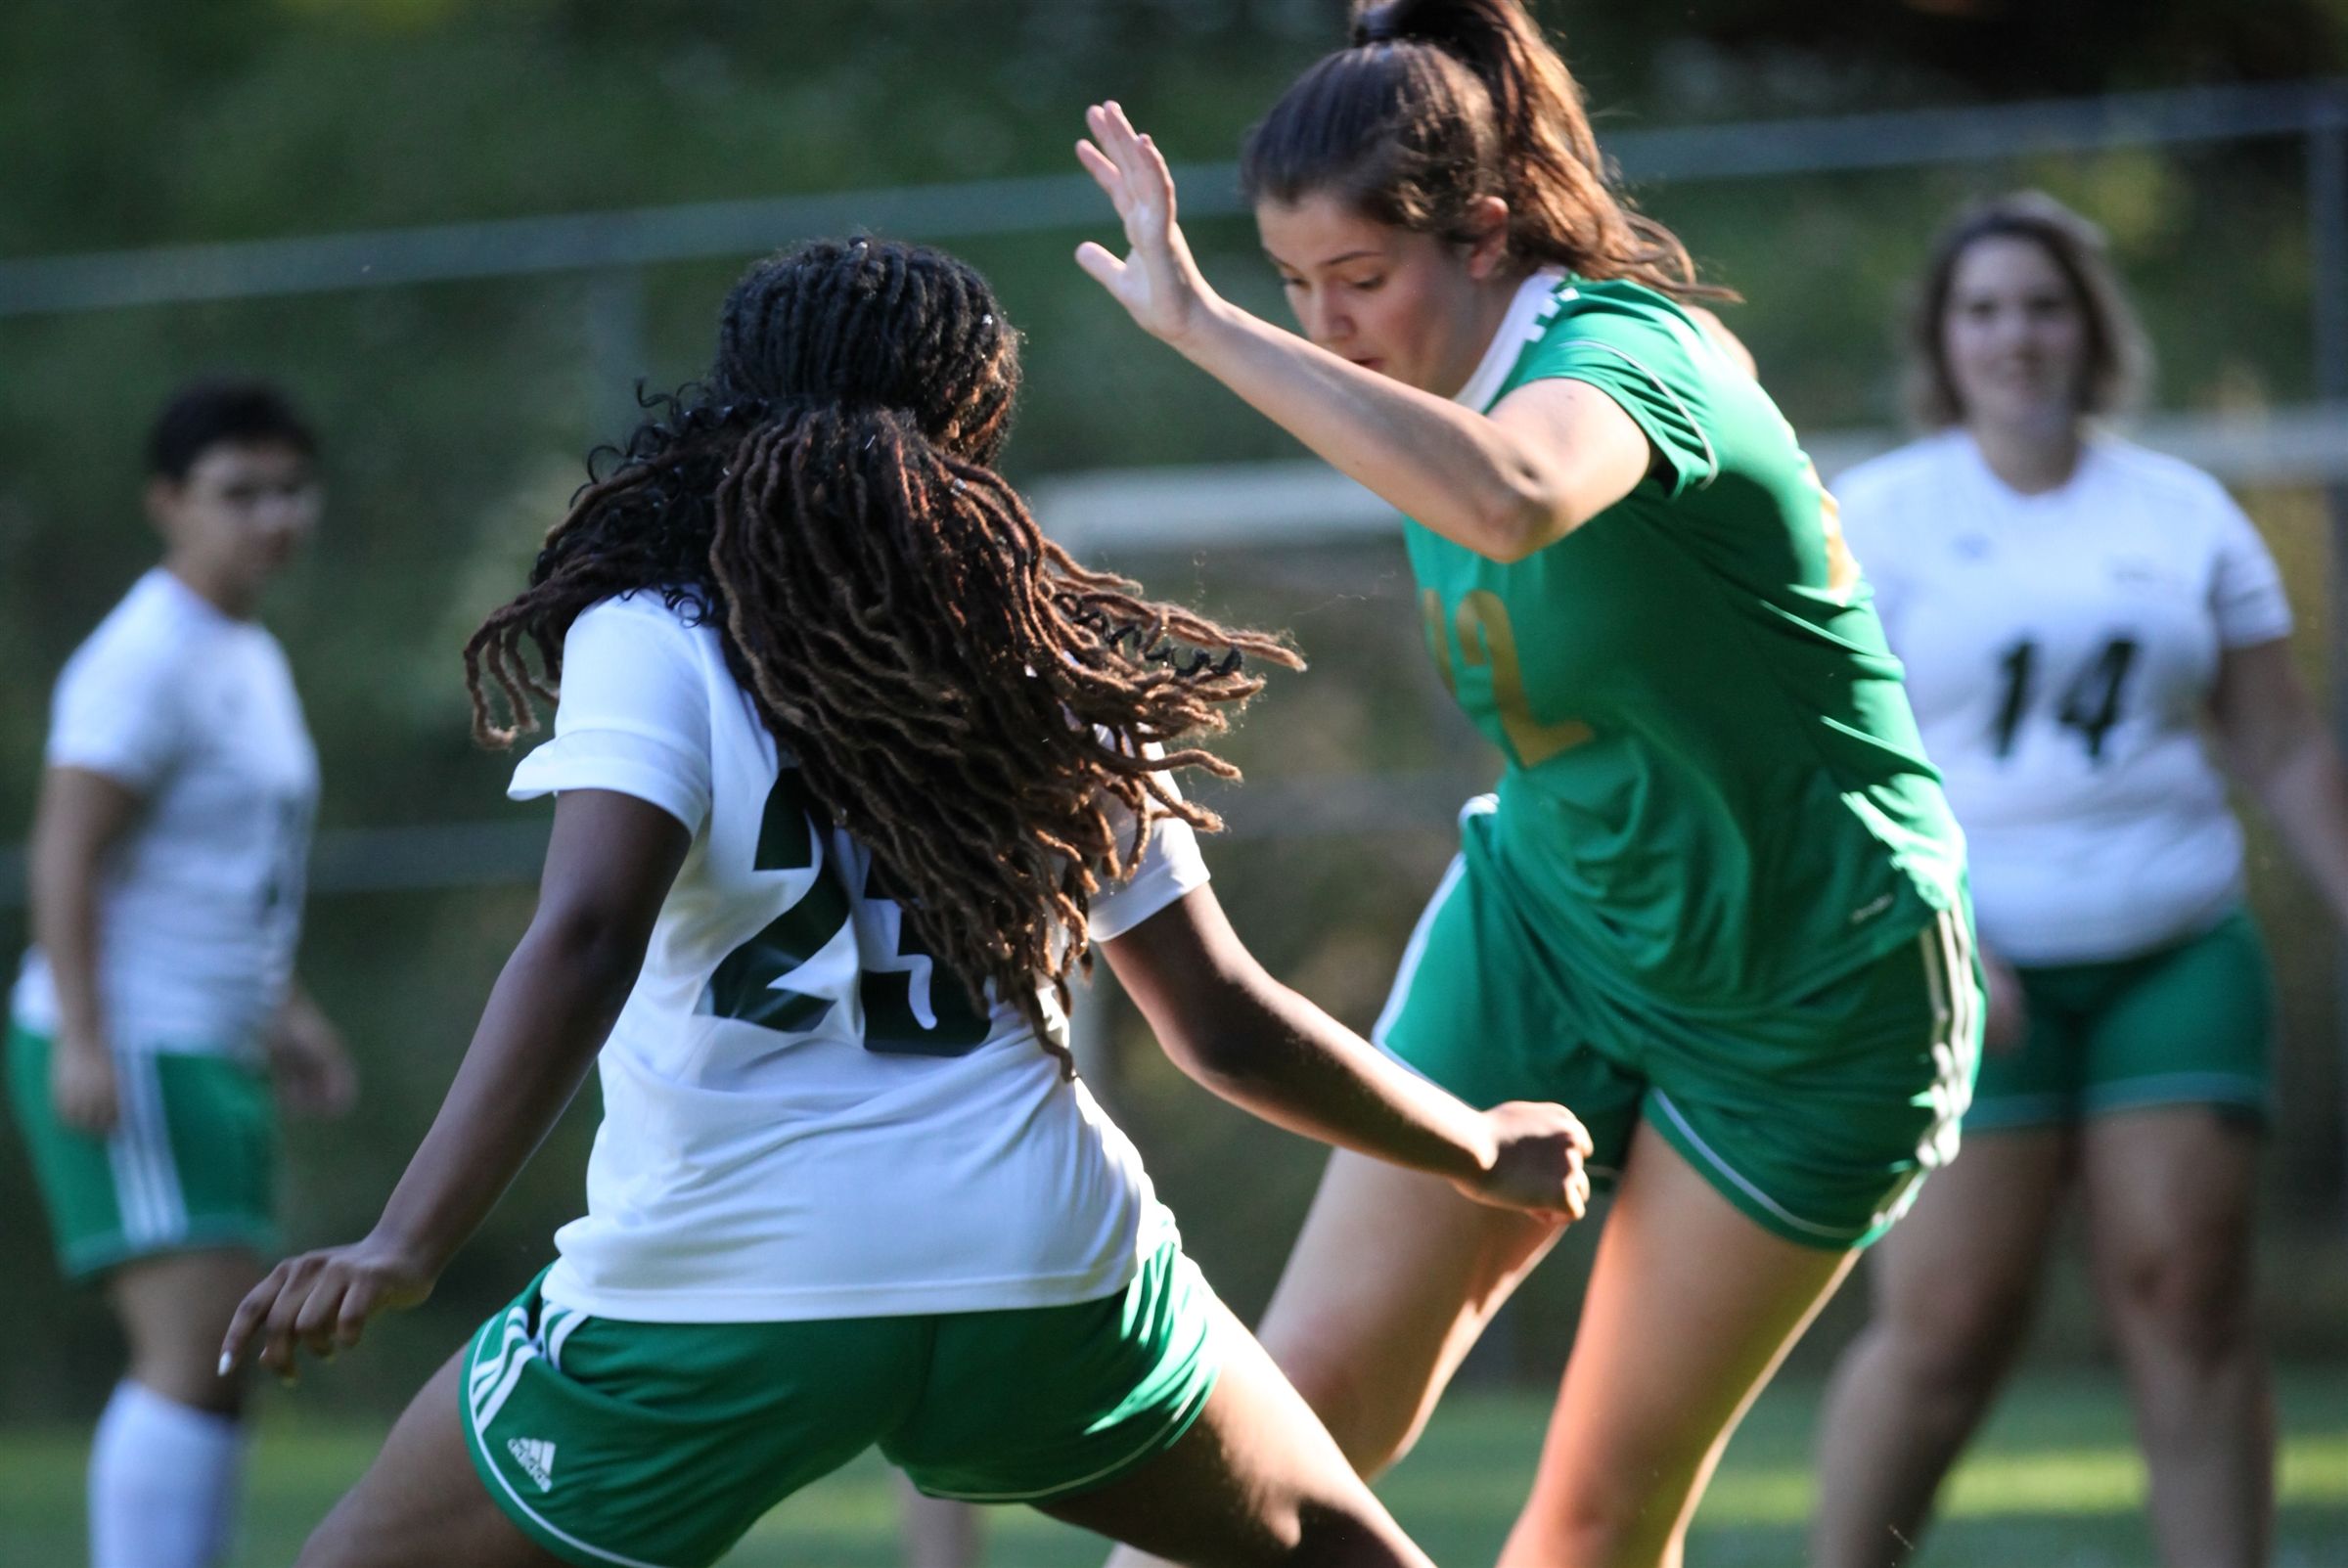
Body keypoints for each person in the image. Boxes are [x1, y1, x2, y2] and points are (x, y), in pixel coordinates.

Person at [218, 237, 1594, 1568]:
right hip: (1037, 1268)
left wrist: (408, 1240)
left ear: (732, 409)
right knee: (1348, 1551)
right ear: (973, 430)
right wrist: (1477, 1147)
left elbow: (586, 936)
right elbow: (1222, 1022)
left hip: (726, 1281)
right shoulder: (1054, 658)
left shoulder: (653, 632)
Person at [1072, 4, 1980, 1564]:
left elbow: (1513, 497)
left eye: (1361, 278)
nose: (1328, 324)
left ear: (1484, 232)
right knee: (1288, 1411)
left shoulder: (1628, 354)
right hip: (1556, 919)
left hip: (1812, 978)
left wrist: (1208, 325)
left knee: (1594, 1516)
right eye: (1293, 282)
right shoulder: (1417, 364)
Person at [1812, 192, 2348, 1568]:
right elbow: (1827, 758)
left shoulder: (2183, 513)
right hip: (1963, 959)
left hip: (2173, 942)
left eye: (2044, 306)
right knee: (1948, 1320)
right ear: (1944, 336)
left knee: (2188, 1293)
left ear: (2092, 329)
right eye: (1984, 309)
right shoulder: (1880, 514)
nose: (2017, 336)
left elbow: (2284, 744)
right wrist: (1939, 925)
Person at [7, 379, 357, 1568]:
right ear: (168, 502)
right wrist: (86, 1036)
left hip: (209, 1038)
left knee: (223, 1356)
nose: (274, 516)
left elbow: (218, 870)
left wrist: (286, 1009)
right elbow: (66, 851)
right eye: (238, 492)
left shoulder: (242, 648)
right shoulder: (142, 656)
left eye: (291, 489)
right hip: (136, 1041)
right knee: (193, 1345)